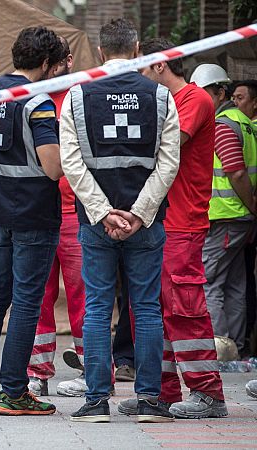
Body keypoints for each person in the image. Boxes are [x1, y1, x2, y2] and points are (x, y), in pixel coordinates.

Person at [62, 19, 179, 423]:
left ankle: (96, 400)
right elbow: (168, 163)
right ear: (138, 49)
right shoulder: (161, 96)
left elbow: (71, 163)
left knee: (97, 307)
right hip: (146, 224)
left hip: (96, 225)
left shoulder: (77, 96)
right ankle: (148, 400)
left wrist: (102, 212)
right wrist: (139, 212)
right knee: (145, 309)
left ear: (99, 52)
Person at [113, 37, 227, 419]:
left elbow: (166, 148)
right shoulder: (166, 102)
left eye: (143, 69)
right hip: (158, 218)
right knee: (151, 310)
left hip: (182, 221)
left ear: (161, 66)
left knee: (184, 306)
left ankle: (208, 393)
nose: (139, 79)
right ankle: (159, 394)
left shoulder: (195, 100)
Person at [0, 26, 63, 416]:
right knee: (25, 302)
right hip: (33, 214)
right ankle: (15, 392)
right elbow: (53, 167)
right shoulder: (37, 101)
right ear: (44, 63)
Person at [27, 37, 90, 398]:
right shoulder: (31, 97)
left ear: (67, 61)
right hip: (36, 210)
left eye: (54, 62)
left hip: (75, 211)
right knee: (38, 295)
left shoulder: (80, 97)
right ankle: (38, 371)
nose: (48, 69)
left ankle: (92, 369)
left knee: (84, 295)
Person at [191, 64, 257, 357]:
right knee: (235, 284)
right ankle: (236, 347)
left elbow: (237, 173)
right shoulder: (243, 121)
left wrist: (251, 206)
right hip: (237, 217)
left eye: (205, 93)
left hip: (227, 215)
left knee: (210, 282)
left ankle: (219, 350)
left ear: (220, 93)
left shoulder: (222, 125)